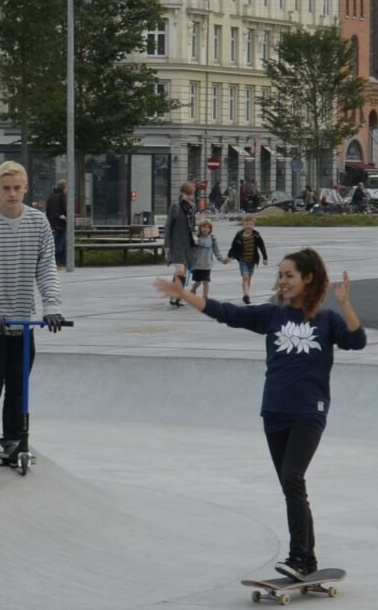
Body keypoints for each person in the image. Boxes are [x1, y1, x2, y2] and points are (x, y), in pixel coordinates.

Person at [155, 247, 363, 580]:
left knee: (293, 478)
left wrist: (345, 303)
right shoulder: (272, 316)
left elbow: (357, 340)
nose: (282, 281)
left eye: (289, 275)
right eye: (280, 275)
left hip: (309, 411)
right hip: (274, 411)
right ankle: (307, 560)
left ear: (308, 278)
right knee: (291, 486)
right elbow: (227, 313)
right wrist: (184, 294)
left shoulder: (327, 320)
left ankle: (298, 557)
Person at [0, 160, 63, 464]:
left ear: (25, 188)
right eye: (6, 189)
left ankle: (13, 438)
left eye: (16, 188)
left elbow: (46, 267)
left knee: (19, 381)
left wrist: (52, 306)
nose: (11, 194)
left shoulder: (38, 223)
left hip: (23, 319)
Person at [227, 214, 268, 304]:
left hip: (252, 260)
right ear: (243, 225)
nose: (248, 226)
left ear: (253, 225)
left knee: (249, 278)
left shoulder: (256, 235)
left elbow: (262, 247)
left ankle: (246, 294)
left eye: (250, 224)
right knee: (245, 277)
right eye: (246, 224)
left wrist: (265, 258)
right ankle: (246, 295)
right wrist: (229, 256)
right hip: (243, 259)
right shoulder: (239, 235)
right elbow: (233, 247)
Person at [163, 181, 198, 284]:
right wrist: (167, 245)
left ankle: (177, 296)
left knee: (185, 271)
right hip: (176, 243)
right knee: (180, 269)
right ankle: (174, 294)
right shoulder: (175, 206)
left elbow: (192, 227)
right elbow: (168, 226)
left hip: (188, 244)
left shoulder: (193, 207)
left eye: (191, 194)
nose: (190, 197)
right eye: (187, 194)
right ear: (182, 193)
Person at [188, 217, 223, 301]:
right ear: (200, 228)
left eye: (207, 227)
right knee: (198, 282)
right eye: (203, 227)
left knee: (206, 282)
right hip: (197, 265)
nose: (205, 229)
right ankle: (193, 290)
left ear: (210, 229)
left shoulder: (212, 239)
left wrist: (222, 259)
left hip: (207, 265)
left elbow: (216, 251)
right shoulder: (196, 238)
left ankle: (205, 297)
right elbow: (191, 250)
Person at [44, 179, 70, 270]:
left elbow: (47, 210)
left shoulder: (51, 196)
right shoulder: (63, 196)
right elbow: (65, 208)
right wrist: (69, 217)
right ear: (63, 187)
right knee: (60, 244)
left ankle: (60, 262)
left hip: (53, 223)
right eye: (67, 186)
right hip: (61, 223)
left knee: (59, 243)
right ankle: (58, 262)